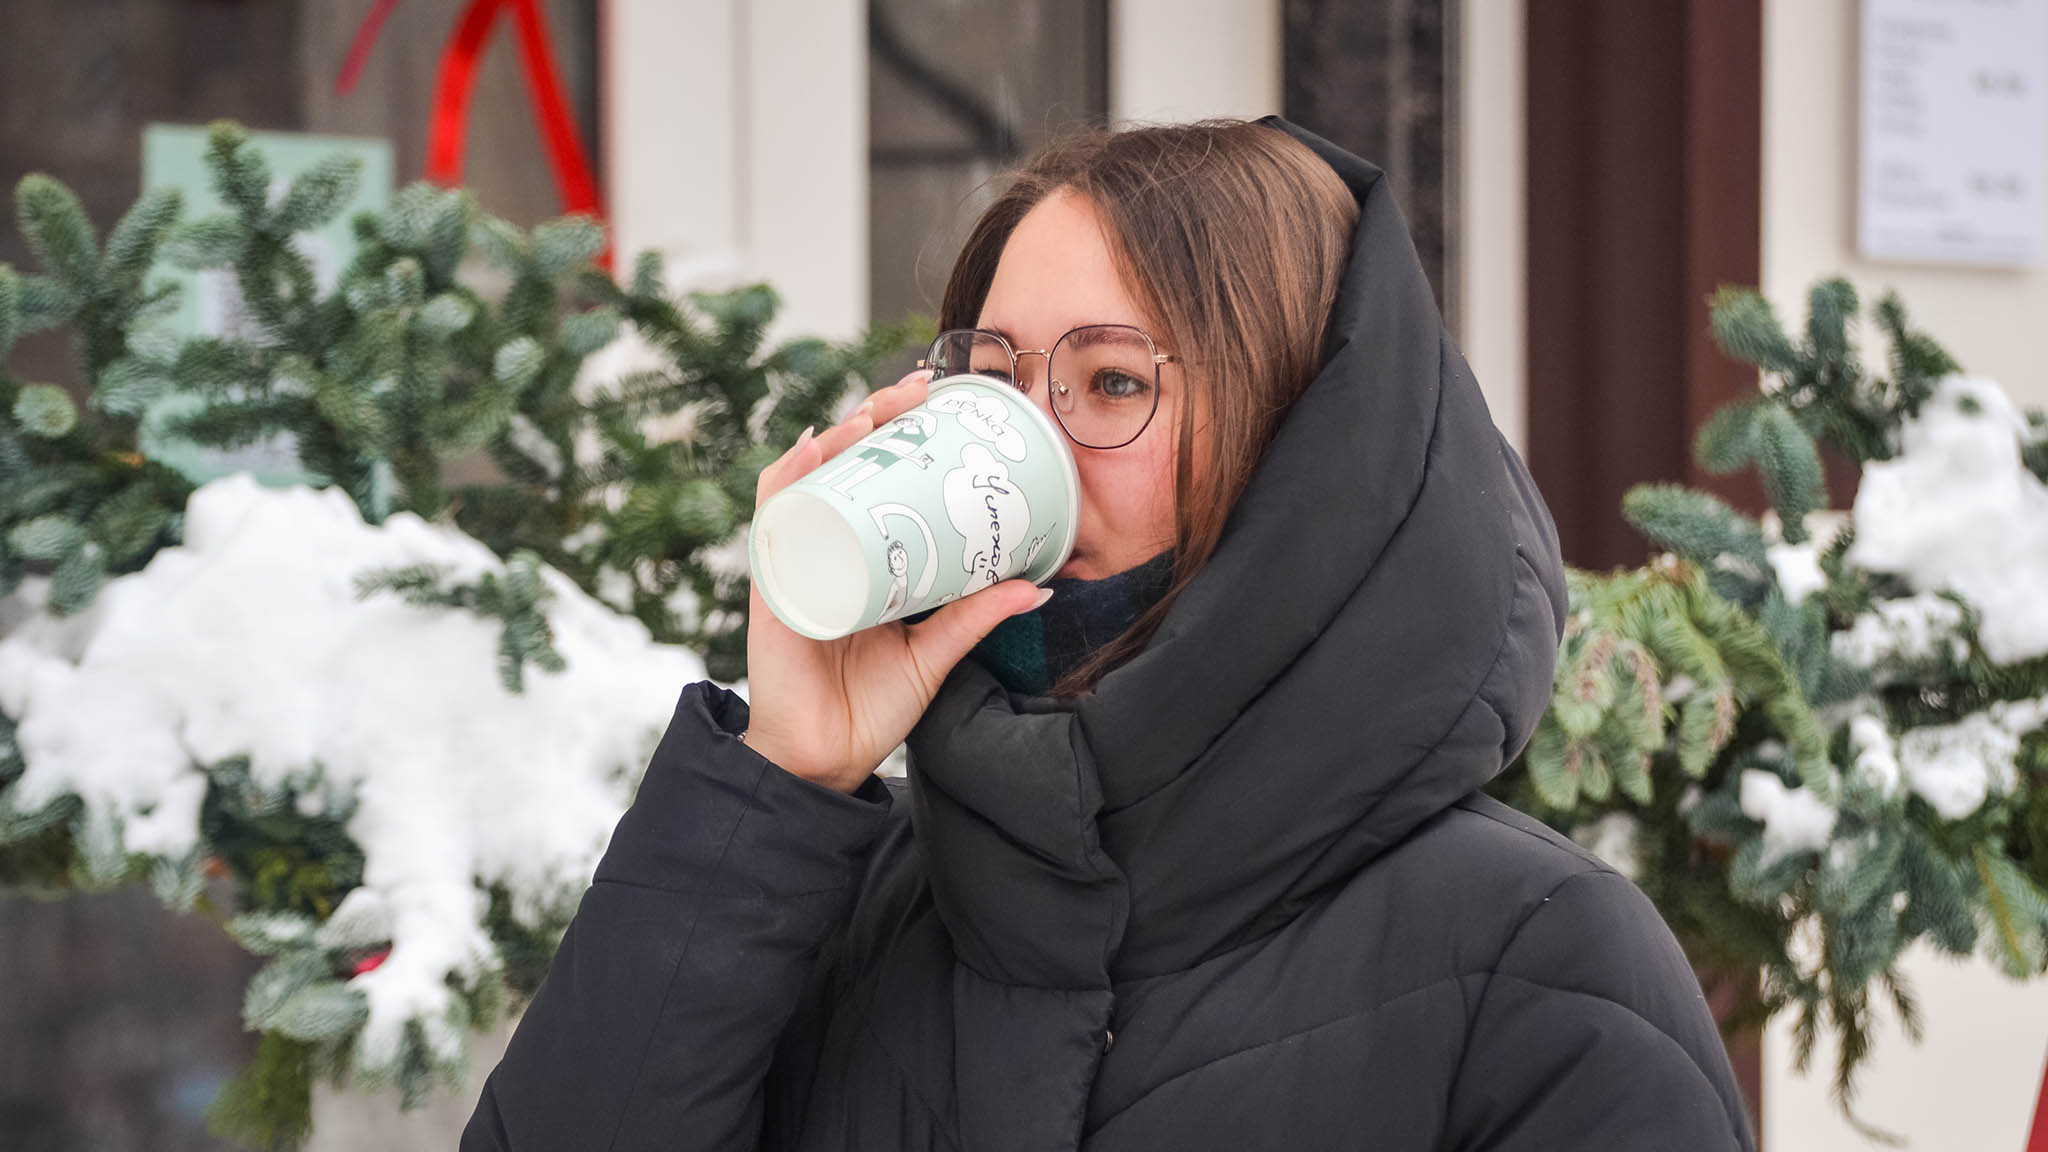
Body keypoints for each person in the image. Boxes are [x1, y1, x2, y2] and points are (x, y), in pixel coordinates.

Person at [461, 117, 1757, 1151]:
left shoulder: (1539, 970)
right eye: (996, 381)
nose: (1027, 444)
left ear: (1305, 449)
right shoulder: (847, 905)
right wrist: (780, 781)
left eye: (1112, 380)